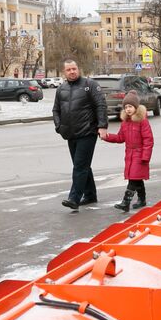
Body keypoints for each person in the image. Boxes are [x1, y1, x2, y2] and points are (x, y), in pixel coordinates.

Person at [52, 58, 108, 212]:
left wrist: (102, 126)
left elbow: (101, 106)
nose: (72, 72)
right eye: (69, 70)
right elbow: (55, 110)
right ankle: (90, 195)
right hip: (70, 134)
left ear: (78, 69)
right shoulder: (61, 89)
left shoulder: (89, 85)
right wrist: (59, 127)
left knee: (79, 166)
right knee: (83, 166)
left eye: (74, 69)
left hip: (87, 132)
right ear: (64, 72)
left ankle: (74, 198)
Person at [104, 91, 154, 212]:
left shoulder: (142, 121)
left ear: (136, 107)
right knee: (137, 178)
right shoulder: (125, 122)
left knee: (133, 179)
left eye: (130, 106)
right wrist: (107, 136)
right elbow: (120, 138)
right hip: (130, 155)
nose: (128, 109)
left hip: (140, 154)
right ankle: (142, 199)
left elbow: (149, 140)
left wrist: (145, 156)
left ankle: (125, 202)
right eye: (126, 107)